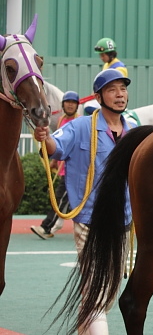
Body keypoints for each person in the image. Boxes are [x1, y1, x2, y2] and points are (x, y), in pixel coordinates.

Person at [32, 69, 133, 335]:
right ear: (99, 96)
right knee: (98, 296)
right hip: (91, 223)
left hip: (122, 224)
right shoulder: (79, 127)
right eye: (113, 90)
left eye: (123, 88)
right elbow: (57, 147)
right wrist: (45, 137)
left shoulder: (133, 132)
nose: (120, 94)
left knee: (103, 295)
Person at [30, 91, 81, 240]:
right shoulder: (61, 121)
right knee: (65, 200)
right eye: (67, 102)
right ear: (63, 104)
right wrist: (54, 161)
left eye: (73, 102)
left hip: (72, 171)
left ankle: (47, 227)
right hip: (63, 169)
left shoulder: (78, 122)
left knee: (60, 198)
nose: (70, 105)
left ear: (77, 105)